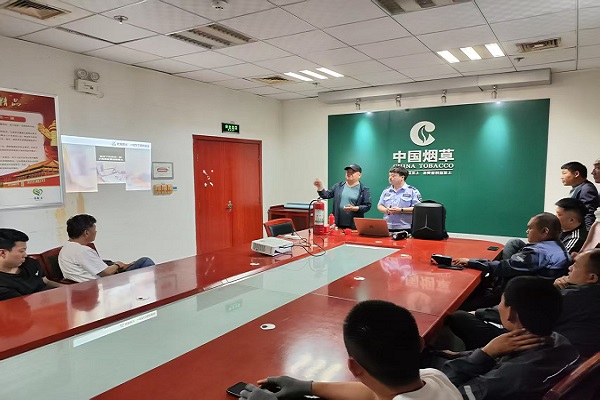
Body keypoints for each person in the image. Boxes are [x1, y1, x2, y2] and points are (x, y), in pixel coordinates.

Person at [240, 300, 462, 400]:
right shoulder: (435, 377)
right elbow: (374, 393)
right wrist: (308, 387)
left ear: (353, 367)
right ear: (420, 345)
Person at [440, 276, 580, 399]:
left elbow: (446, 392)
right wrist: (475, 354)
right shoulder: (560, 341)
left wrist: (485, 353)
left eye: (501, 302)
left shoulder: (509, 378)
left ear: (511, 313)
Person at [447, 249, 600, 359]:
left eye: (576, 266)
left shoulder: (574, 297)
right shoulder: (584, 295)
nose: (570, 268)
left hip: (534, 349)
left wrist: (478, 313)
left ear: (592, 278)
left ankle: (477, 355)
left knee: (459, 317)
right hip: (557, 350)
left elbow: (522, 314)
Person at [454, 212, 570, 309]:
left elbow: (506, 267)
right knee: (514, 244)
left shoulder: (537, 252)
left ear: (545, 231)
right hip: (537, 286)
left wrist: (471, 262)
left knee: (460, 307)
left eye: (530, 228)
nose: (527, 231)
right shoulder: (558, 246)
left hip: (520, 295)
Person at [58, 214, 155, 282]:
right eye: (94, 229)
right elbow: (107, 273)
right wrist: (118, 265)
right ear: (86, 233)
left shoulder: (66, 248)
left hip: (91, 283)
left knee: (139, 265)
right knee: (145, 262)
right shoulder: (82, 251)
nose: (96, 232)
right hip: (104, 286)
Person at [502, 198, 587, 258]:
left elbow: (560, 259)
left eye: (559, 214)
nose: (555, 216)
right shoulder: (562, 229)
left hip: (546, 264)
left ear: (571, 220)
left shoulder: (576, 238)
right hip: (542, 252)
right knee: (514, 243)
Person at [0, 228, 62, 301]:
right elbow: (20, 304)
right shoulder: (2, 285)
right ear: (2, 253)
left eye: (25, 250)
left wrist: (67, 288)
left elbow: (44, 280)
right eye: (21, 251)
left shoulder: (30, 263)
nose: (25, 255)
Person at [314, 164, 372, 229]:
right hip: (337, 225)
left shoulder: (364, 189)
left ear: (359, 175)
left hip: (354, 226)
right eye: (348, 172)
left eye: (352, 172)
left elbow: (367, 206)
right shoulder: (338, 186)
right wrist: (320, 187)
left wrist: (354, 208)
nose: (349, 174)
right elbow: (326, 195)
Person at [377, 164, 422, 231]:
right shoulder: (386, 191)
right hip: (387, 226)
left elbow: (417, 208)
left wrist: (401, 210)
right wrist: (386, 210)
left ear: (402, 177)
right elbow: (380, 205)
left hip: (405, 227)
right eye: (389, 176)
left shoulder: (412, 191)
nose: (390, 178)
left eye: (393, 176)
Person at [561, 161, 599, 230]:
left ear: (576, 174)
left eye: (564, 173)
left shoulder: (587, 189)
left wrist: (588, 233)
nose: (562, 177)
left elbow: (589, 213)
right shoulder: (578, 188)